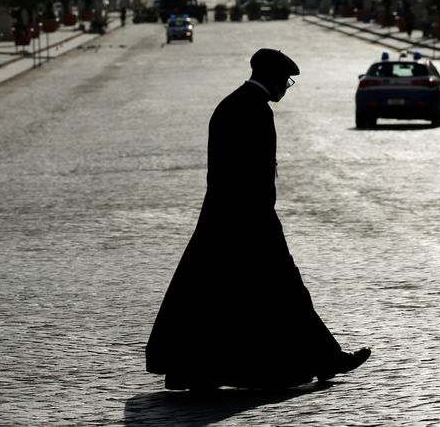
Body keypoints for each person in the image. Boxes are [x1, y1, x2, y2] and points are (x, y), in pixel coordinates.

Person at [146, 48, 370, 391]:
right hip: (252, 217)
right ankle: (326, 359)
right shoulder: (257, 111)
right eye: (286, 81)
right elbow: (259, 173)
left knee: (209, 294)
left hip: (220, 216)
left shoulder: (228, 105)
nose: (286, 88)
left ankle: (192, 368)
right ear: (273, 77)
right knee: (285, 291)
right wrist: (264, 215)